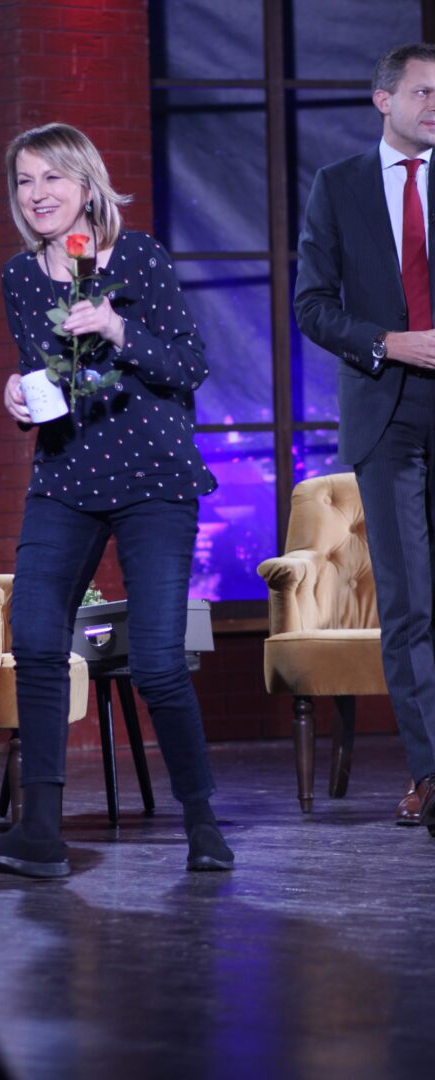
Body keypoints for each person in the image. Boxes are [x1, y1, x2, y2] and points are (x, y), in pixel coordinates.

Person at [0, 122, 233, 878]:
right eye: (24, 181)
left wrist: (116, 326)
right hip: (67, 475)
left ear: (86, 184)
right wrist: (19, 396)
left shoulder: (138, 257)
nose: (36, 193)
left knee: (158, 664)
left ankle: (203, 823)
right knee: (38, 643)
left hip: (153, 477)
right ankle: (39, 833)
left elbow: (188, 367)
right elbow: (51, 377)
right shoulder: (21, 276)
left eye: (52, 178)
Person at [294, 43, 435, 834]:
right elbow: (312, 305)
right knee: (409, 603)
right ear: (384, 100)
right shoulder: (339, 185)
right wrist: (388, 342)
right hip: (386, 411)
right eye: (423, 91)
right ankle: (431, 771)